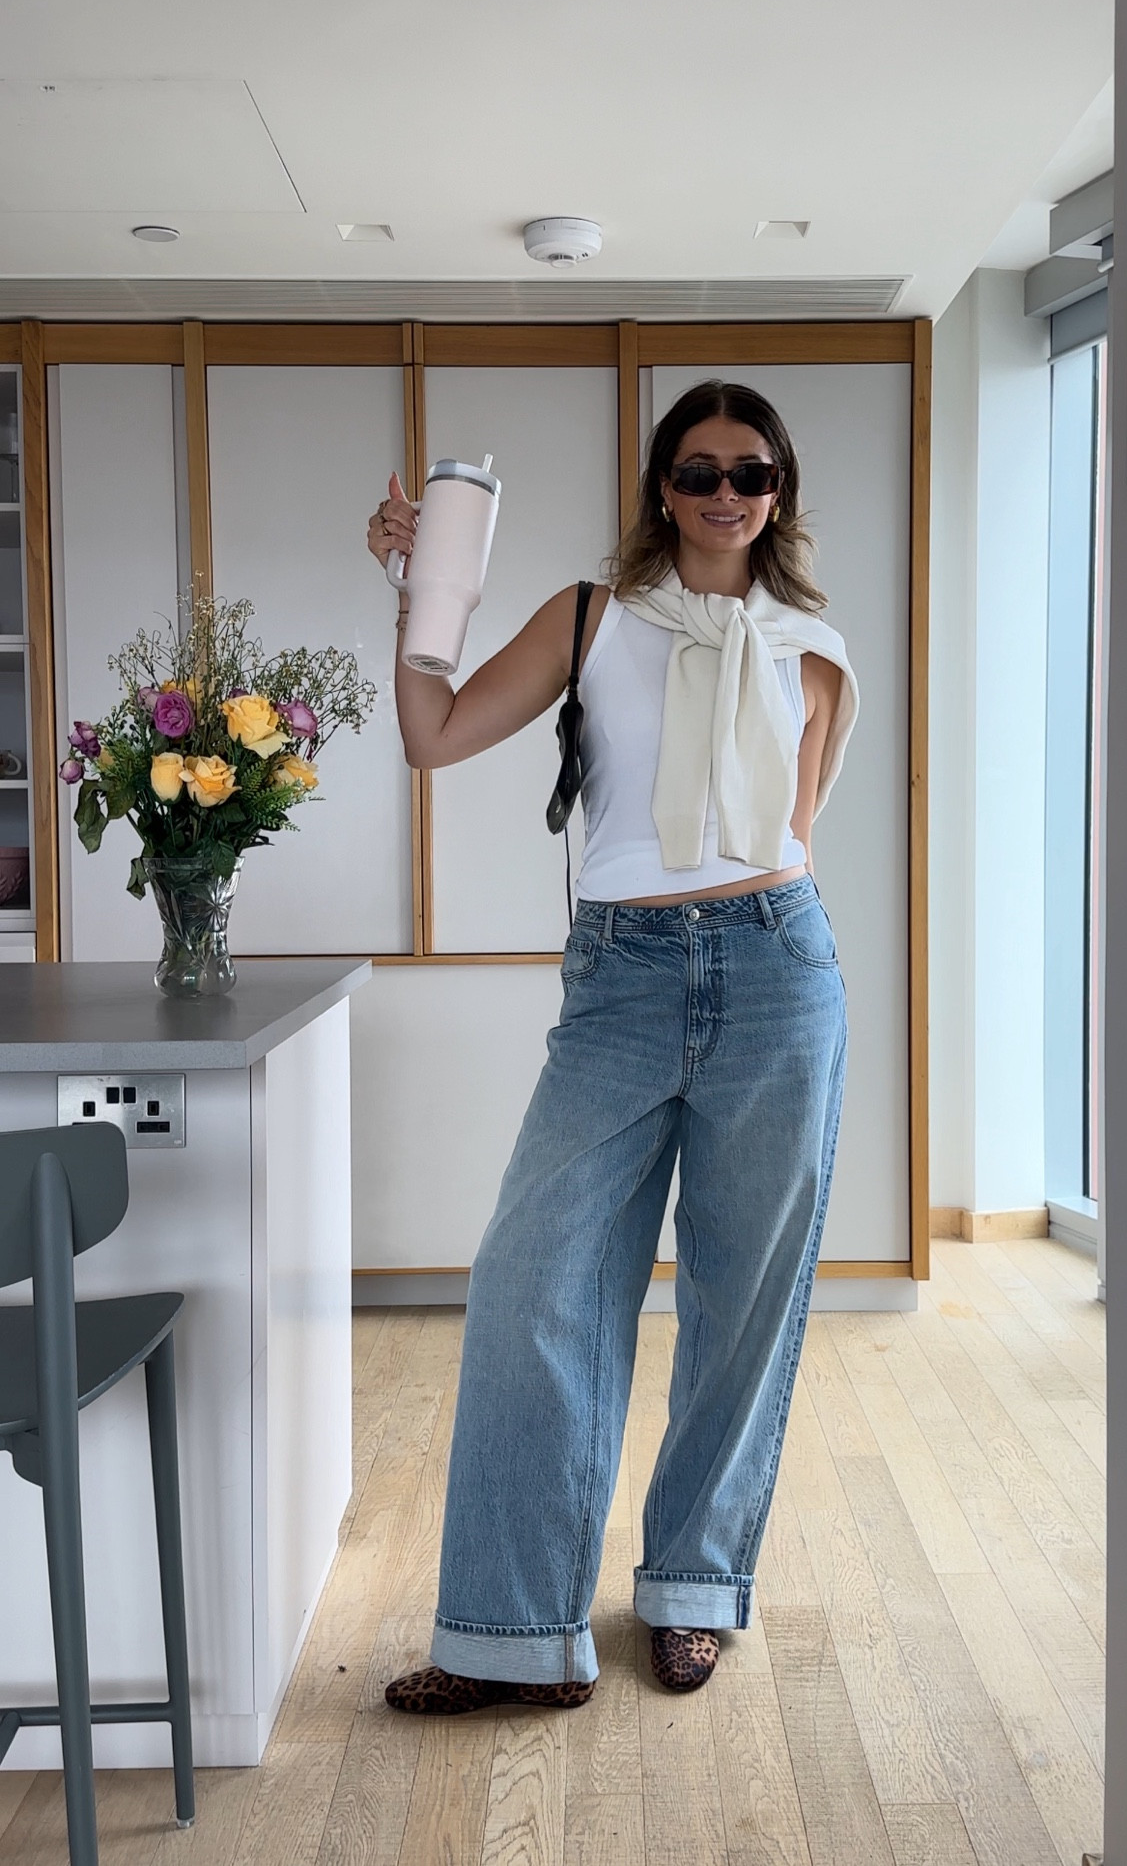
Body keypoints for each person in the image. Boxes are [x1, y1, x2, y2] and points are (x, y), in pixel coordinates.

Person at [365, 380, 859, 1715]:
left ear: (777, 489)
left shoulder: (808, 646)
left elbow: (789, 830)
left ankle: (694, 1588)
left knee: (738, 1300)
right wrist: (420, 594)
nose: (721, 493)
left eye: (747, 471)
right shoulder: (589, 617)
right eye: (695, 471)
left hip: (774, 966)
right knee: (532, 1282)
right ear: (659, 488)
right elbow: (434, 733)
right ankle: (512, 1632)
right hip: (621, 981)